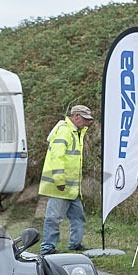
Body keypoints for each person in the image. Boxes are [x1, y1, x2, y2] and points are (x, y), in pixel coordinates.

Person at [38, 104, 94, 256]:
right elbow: (57, 157)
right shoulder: (64, 131)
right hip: (60, 186)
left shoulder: (76, 132)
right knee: (53, 218)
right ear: (76, 116)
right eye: (85, 119)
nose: (87, 122)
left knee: (78, 218)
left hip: (72, 188)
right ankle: (47, 248)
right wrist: (59, 180)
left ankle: (75, 244)